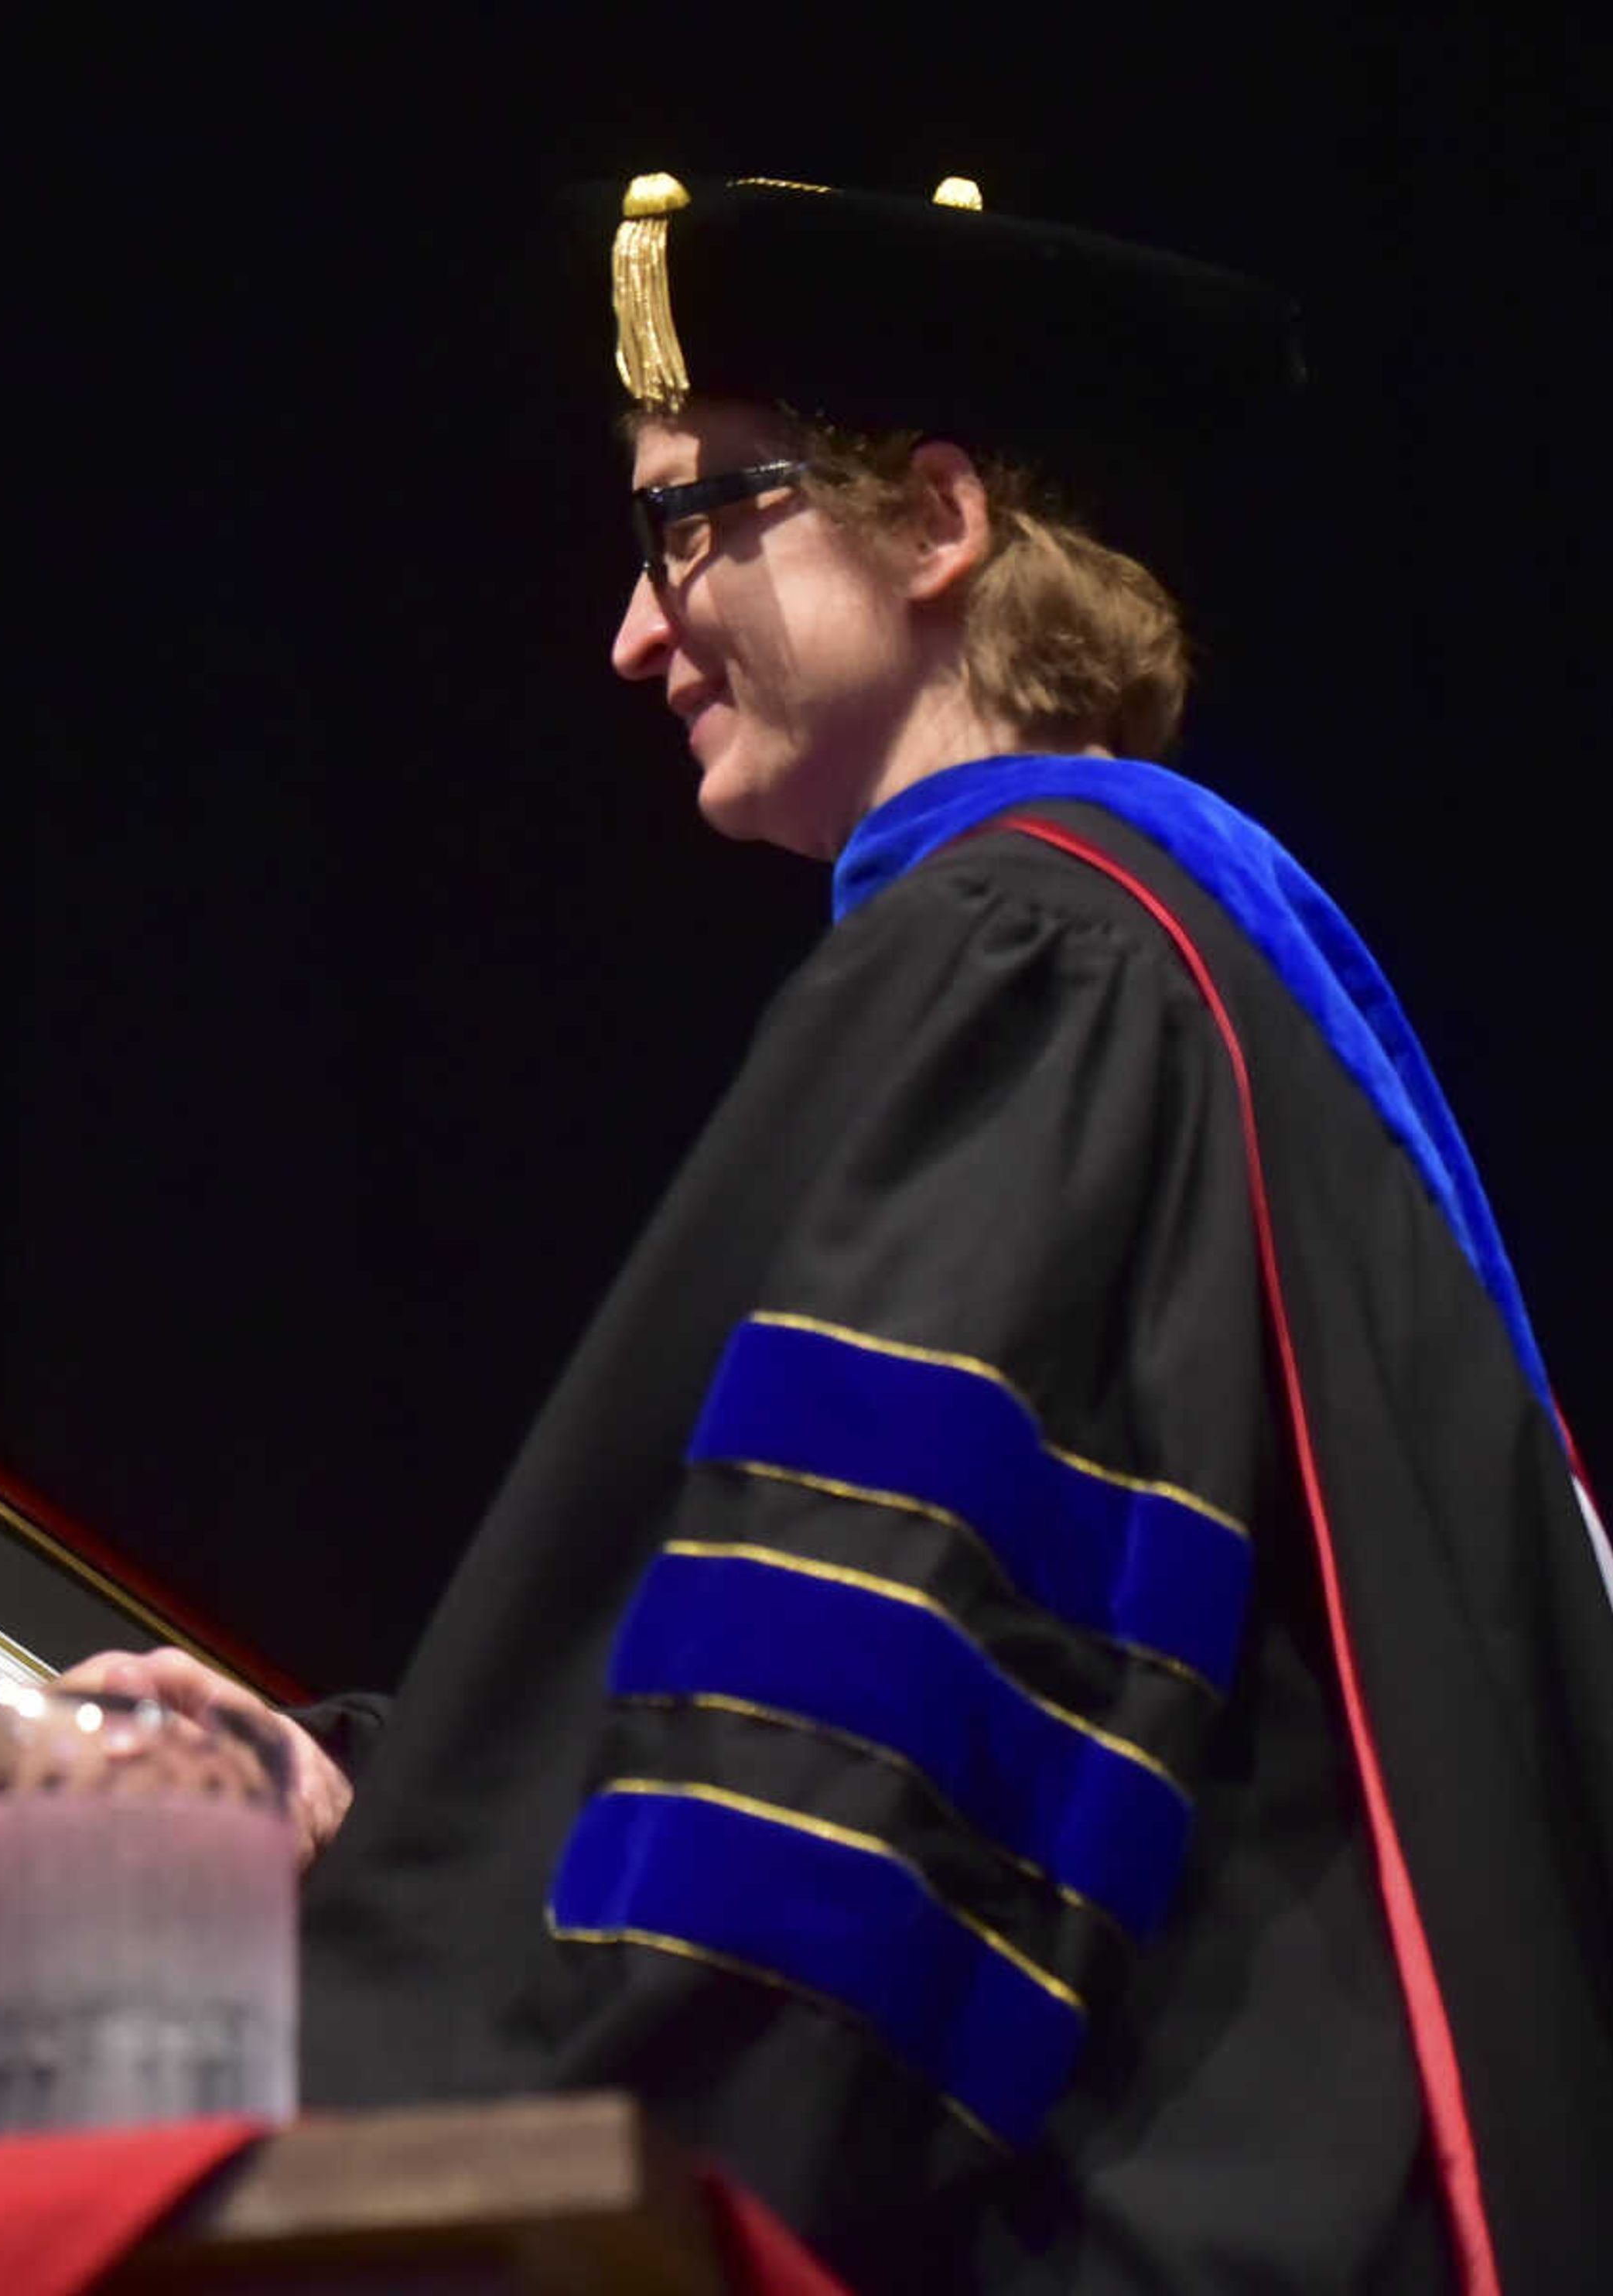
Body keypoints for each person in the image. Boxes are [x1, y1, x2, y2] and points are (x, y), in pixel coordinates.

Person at [273, 175, 1613, 2291]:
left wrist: (422, 2052)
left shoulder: (1034, 958)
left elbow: (844, 1752)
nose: (633, 628)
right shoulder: (1187, 963)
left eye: (693, 516)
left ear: (938, 522)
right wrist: (366, 1792)